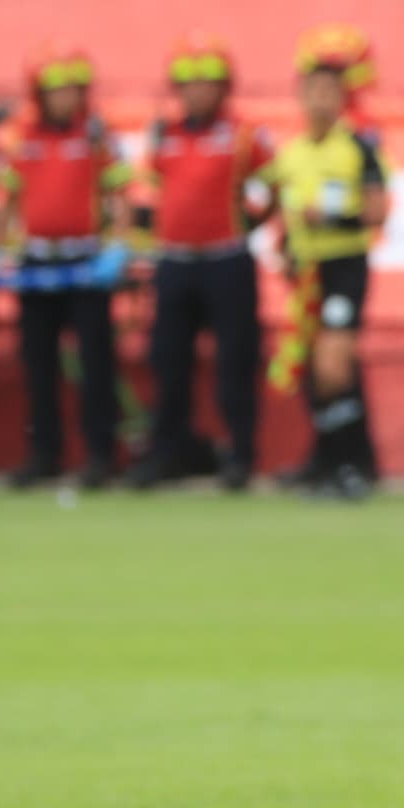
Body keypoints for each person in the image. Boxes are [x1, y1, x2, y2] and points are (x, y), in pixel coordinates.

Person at [137, 38, 273, 491]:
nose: (196, 93)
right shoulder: (164, 135)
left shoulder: (245, 134)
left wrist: (247, 224)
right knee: (167, 361)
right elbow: (150, 191)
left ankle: (240, 454)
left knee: (235, 361)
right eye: (188, 84)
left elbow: (272, 187)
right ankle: (169, 452)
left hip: (226, 261)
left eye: (206, 84)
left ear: (224, 88)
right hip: (174, 262)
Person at [0, 47, 126, 491]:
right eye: (56, 91)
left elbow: (118, 195)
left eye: (72, 90)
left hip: (86, 260)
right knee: (38, 365)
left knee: (94, 363)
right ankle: (43, 454)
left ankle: (101, 456)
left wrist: (118, 245)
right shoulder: (19, 138)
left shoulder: (97, 136)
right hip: (36, 261)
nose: (65, 99)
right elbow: (5, 204)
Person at [271, 26, 392, 499]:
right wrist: (285, 245)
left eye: (329, 91)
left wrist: (335, 215)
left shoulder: (358, 147)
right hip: (306, 271)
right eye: (312, 90)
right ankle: (332, 461)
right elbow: (283, 208)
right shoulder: (292, 152)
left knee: (333, 366)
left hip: (344, 264)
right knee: (313, 368)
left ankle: (349, 468)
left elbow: (378, 210)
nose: (319, 100)